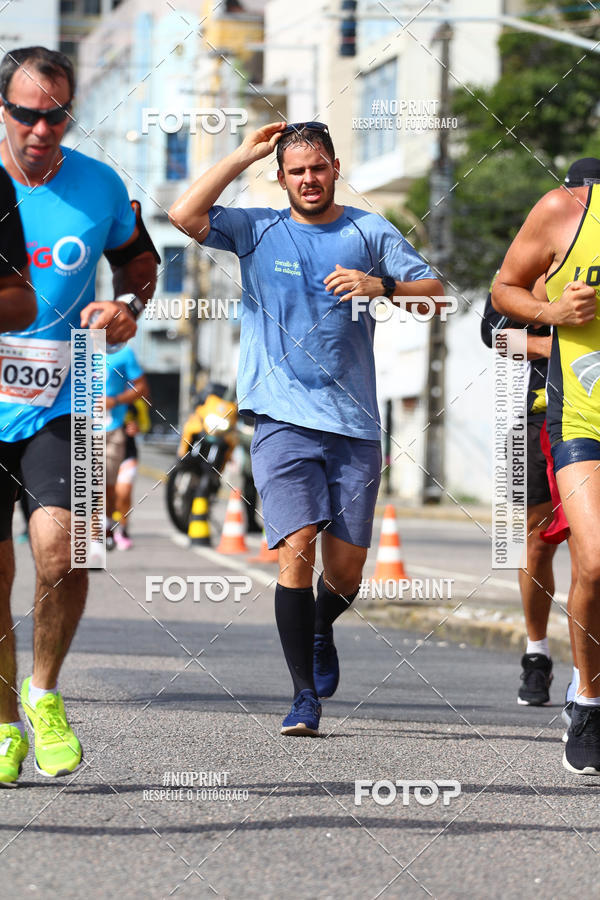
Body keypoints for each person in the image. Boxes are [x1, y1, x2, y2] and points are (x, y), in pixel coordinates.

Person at [169, 121, 443, 736]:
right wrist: (242, 155)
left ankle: (321, 626)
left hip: (353, 424)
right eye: (296, 171)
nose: (309, 179)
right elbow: (184, 215)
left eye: (318, 167)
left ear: (335, 168)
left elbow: (436, 296)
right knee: (296, 551)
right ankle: (303, 698)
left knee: (345, 573)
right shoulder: (258, 228)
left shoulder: (369, 231)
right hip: (279, 418)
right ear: (281, 177)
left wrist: (382, 285)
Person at [0, 46, 158, 785]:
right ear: (3, 109)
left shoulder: (100, 185)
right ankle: (4, 721)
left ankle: (44, 694)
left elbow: (139, 264)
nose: (41, 129)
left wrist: (126, 307)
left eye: (57, 115)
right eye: (26, 114)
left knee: (66, 554)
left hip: (66, 395)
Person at [493, 156, 600, 775]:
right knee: (532, 544)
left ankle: (583, 682)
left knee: (588, 558)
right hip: (536, 416)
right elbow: (493, 330)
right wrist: (554, 324)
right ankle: (538, 653)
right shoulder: (555, 229)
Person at [90, 344, 149, 562]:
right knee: (91, 486)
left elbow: (142, 390)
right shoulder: (76, 346)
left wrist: (114, 401)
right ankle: (94, 538)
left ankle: (114, 528)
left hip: (113, 432)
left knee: (113, 489)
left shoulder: (124, 354)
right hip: (79, 427)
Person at [113, 397, 152, 550]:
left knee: (124, 492)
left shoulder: (135, 400)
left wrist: (137, 428)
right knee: (104, 494)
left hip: (128, 452)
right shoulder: (95, 394)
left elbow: (145, 425)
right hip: (101, 450)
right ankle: (105, 528)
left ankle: (122, 529)